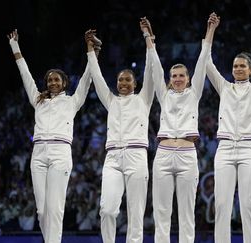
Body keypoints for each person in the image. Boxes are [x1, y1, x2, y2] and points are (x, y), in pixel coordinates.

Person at [7, 29, 95, 243]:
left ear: (64, 83)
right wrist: (14, 46)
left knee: (55, 208)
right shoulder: (38, 99)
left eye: (57, 80)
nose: (52, 82)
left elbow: (87, 78)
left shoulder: (73, 101)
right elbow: (25, 74)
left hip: (60, 153)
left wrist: (91, 50)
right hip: (37, 154)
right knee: (41, 210)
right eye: (49, 80)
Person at [140, 13, 219, 243]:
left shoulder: (194, 93)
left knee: (186, 213)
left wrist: (210, 29)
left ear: (189, 77)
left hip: (186, 155)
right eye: (173, 75)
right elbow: (155, 65)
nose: (177, 78)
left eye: (181, 75)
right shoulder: (163, 95)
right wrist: (148, 36)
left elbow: (203, 58)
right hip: (163, 155)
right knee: (162, 212)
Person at [206, 7, 251, 243]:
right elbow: (206, 63)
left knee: (248, 203)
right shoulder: (224, 87)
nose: (238, 68)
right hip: (225, 149)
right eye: (235, 65)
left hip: (249, 149)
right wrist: (211, 30)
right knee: (222, 204)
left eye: (242, 66)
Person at [85, 25, 154, 243]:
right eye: (120, 80)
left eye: (127, 80)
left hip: (136, 156)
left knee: (135, 213)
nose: (123, 83)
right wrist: (90, 50)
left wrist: (147, 37)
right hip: (112, 158)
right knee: (107, 209)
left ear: (135, 83)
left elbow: (152, 69)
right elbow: (96, 77)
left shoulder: (144, 98)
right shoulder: (111, 100)